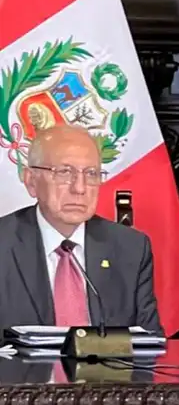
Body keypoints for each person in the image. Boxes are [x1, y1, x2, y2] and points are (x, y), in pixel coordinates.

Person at [0, 125, 162, 333]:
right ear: (31, 181)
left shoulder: (131, 248)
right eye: (64, 172)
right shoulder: (4, 243)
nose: (80, 188)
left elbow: (149, 344)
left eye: (91, 173)